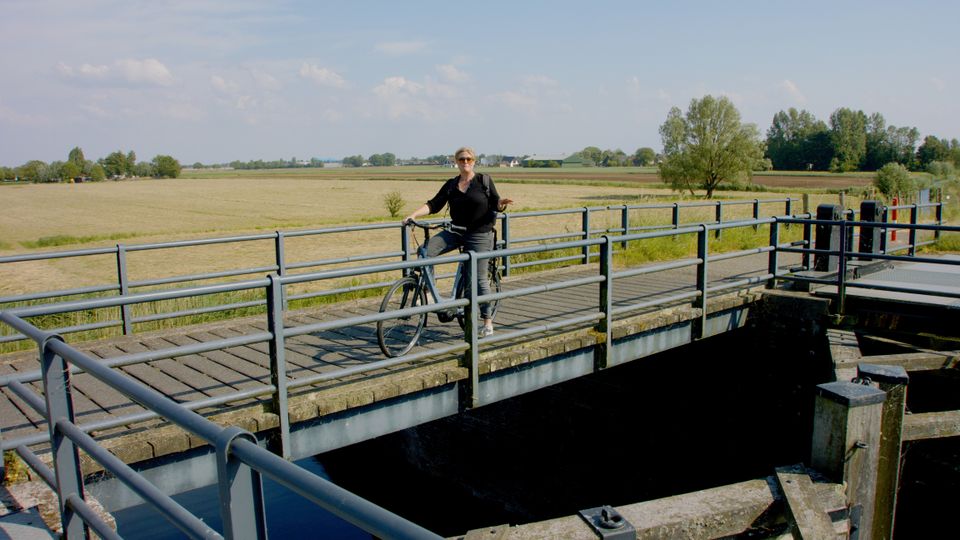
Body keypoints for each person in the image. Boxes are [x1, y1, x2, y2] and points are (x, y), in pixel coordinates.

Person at [403, 147, 513, 337]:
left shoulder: (483, 181)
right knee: (424, 251)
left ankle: (487, 322)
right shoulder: (452, 184)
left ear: (474, 161)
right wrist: (413, 215)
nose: (465, 162)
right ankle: (428, 294)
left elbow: (495, 202)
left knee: (478, 279)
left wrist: (501, 203)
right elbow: (434, 204)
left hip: (480, 235)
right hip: (456, 231)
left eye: (469, 159)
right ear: (456, 161)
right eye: (462, 159)